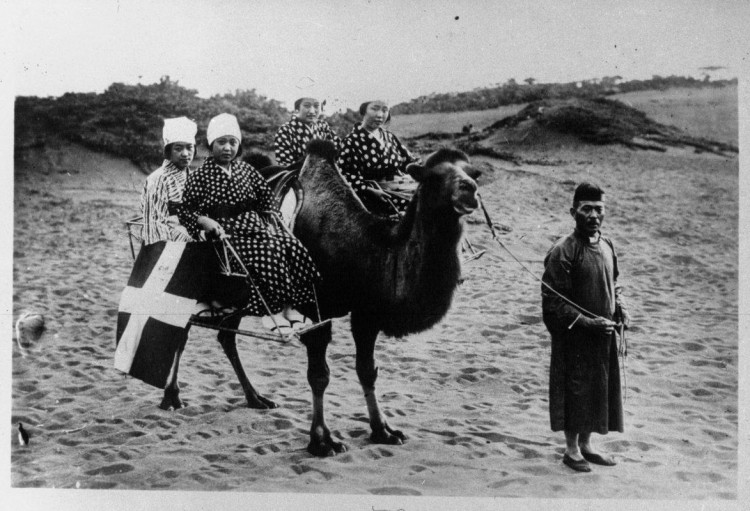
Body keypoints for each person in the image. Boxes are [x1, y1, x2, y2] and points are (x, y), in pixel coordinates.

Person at [178, 113, 320, 335]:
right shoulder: (200, 176)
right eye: (221, 142)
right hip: (227, 235)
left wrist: (272, 219)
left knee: (293, 247)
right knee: (268, 253)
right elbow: (186, 210)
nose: (227, 148)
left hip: (255, 228)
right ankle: (271, 312)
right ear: (210, 144)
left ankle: (290, 308)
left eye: (233, 142)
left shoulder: (247, 171)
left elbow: (266, 199)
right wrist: (205, 220)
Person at [541, 182, 631, 473]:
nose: (593, 215)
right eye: (586, 209)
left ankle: (588, 445)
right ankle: (571, 449)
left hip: (602, 334)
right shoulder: (563, 251)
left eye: (599, 209)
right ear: (573, 212)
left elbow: (614, 284)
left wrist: (621, 309)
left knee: (598, 388)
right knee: (576, 390)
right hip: (575, 336)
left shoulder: (607, 246)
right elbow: (553, 301)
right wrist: (588, 322)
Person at [336, 100, 420, 216]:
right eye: (374, 109)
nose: (380, 115)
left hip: (401, 184)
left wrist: (421, 171)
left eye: (385, 110)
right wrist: (370, 190)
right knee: (415, 208)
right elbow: (346, 177)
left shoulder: (388, 136)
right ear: (363, 111)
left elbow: (409, 161)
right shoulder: (351, 141)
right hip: (375, 193)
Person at [140, 116, 197, 245]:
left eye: (189, 148)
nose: (185, 154)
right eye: (178, 148)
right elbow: (155, 224)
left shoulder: (194, 178)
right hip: (169, 246)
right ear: (169, 151)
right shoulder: (158, 179)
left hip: (194, 242)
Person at [274, 97, 340, 167]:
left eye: (316, 106)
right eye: (307, 106)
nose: (312, 111)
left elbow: (337, 152)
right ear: (296, 110)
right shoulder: (285, 130)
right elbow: (286, 165)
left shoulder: (323, 126)